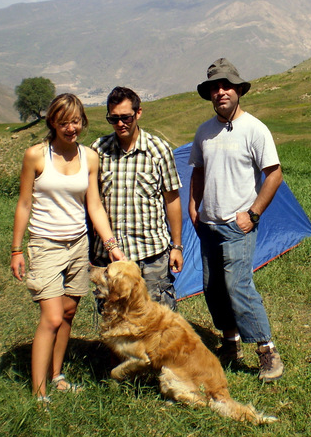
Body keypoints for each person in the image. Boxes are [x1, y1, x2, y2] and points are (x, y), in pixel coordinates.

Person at [10, 93, 124, 405]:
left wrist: (112, 245)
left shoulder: (89, 157)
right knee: (52, 316)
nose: (70, 127)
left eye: (75, 121)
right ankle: (38, 393)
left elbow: (95, 205)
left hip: (78, 244)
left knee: (70, 311)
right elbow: (24, 203)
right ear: (52, 123)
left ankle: (57, 375)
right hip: (46, 244)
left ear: (82, 122)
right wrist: (16, 249)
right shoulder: (35, 155)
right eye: (64, 122)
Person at [188, 58, 285, 382]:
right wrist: (193, 206)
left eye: (226, 85)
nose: (220, 92)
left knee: (238, 286)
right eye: (214, 88)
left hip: (237, 226)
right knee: (212, 288)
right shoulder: (204, 131)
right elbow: (198, 171)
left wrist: (254, 212)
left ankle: (267, 350)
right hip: (208, 224)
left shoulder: (255, 129)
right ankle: (231, 342)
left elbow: (274, 174)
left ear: (239, 89)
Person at [91, 86, 183, 310]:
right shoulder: (98, 151)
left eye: (126, 117)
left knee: (157, 317)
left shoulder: (158, 150)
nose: (121, 124)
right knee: (113, 318)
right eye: (114, 119)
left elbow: (172, 199)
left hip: (150, 253)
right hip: (110, 256)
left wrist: (177, 246)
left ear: (138, 113)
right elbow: (91, 202)